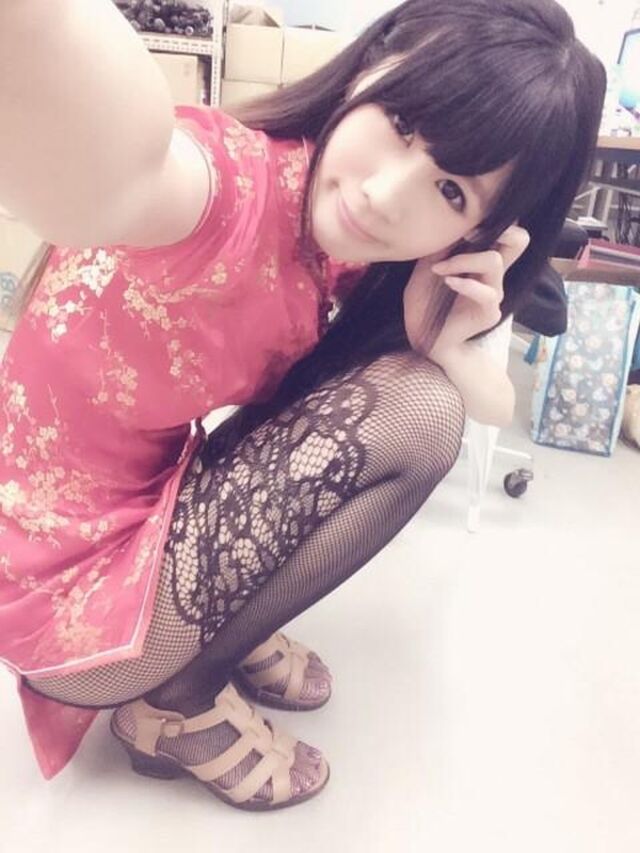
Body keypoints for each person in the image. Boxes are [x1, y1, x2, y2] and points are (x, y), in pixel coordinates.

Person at [0, 0, 605, 810]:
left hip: (135, 505)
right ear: (374, 63)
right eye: (401, 122)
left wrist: (450, 344)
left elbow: (490, 404)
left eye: (451, 191)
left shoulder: (341, 244)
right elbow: (131, 164)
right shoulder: (225, 189)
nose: (385, 194)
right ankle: (173, 702)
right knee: (422, 412)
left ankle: (208, 625)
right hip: (54, 600)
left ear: (485, 232)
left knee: (429, 395)